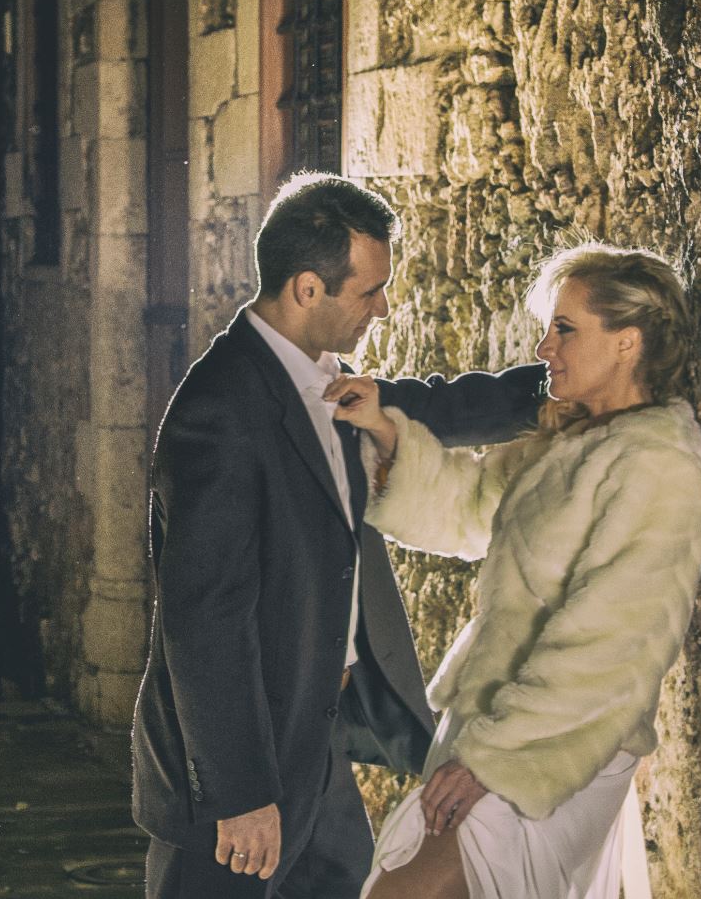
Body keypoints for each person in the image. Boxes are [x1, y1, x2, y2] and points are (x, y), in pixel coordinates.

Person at [131, 172, 546, 899]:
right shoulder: (220, 410)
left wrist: (558, 387)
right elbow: (204, 621)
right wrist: (240, 793)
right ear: (306, 289)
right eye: (369, 291)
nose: (383, 309)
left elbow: (427, 408)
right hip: (244, 767)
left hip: (318, 746)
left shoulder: (329, 381)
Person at [326, 242, 701, 898]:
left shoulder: (660, 461)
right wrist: (386, 432)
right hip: (492, 721)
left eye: (565, 329)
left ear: (627, 342)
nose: (543, 348)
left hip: (552, 746)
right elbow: (466, 509)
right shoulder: (568, 439)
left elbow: (614, 642)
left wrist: (493, 759)